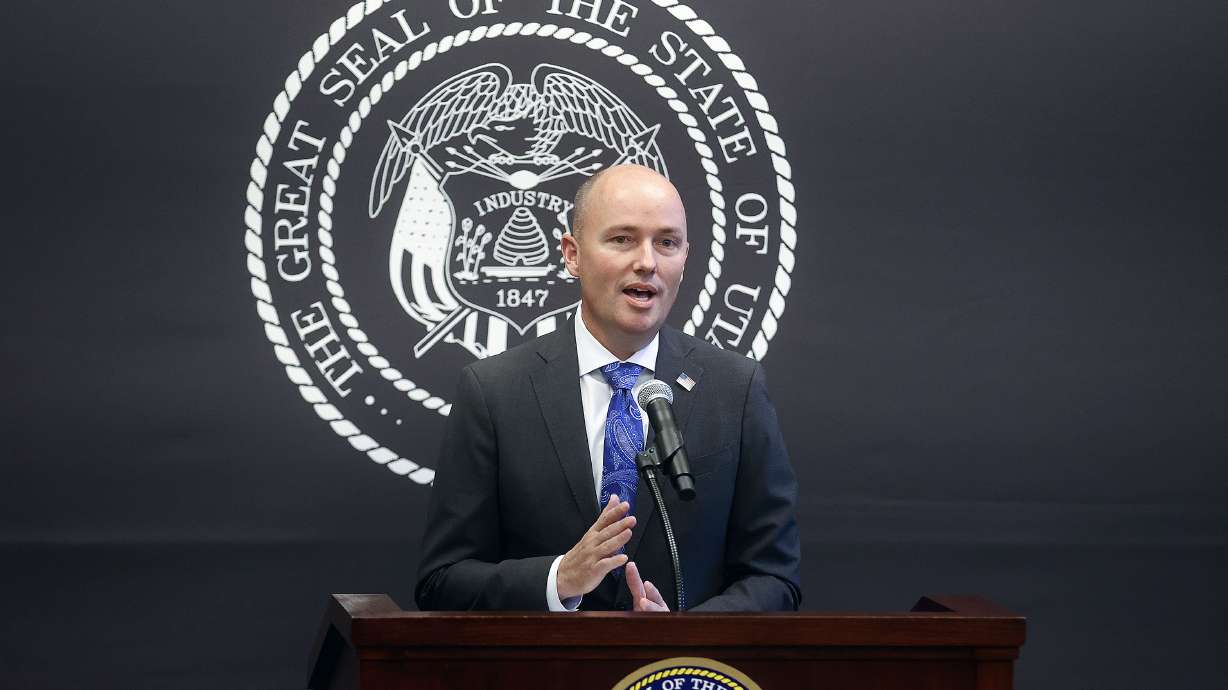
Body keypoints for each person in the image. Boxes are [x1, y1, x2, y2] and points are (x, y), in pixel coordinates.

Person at [415, 164, 800, 611]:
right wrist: (558, 579)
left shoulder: (736, 389)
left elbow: (775, 578)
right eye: (622, 239)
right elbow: (442, 582)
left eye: (667, 243)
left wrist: (683, 634)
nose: (647, 262)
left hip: (680, 676)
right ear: (572, 254)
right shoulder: (494, 392)